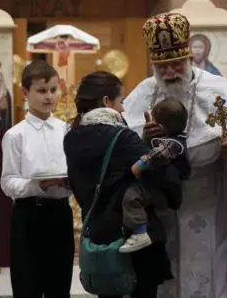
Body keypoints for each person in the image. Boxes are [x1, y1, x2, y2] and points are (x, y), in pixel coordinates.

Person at [123, 12, 227, 298]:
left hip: (212, 202)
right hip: (164, 206)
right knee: (167, 278)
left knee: (212, 273)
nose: (170, 72)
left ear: (189, 57)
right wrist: (145, 139)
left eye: (176, 63)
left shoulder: (216, 89)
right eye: (162, 65)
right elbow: (125, 149)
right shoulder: (144, 93)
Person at [64, 71, 179, 298]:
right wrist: (155, 145)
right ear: (107, 101)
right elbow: (166, 181)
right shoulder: (122, 138)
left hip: (99, 239)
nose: (124, 109)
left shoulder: (71, 138)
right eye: (121, 101)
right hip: (134, 244)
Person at [0, 60, 74, 298]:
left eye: (53, 90)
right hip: (28, 216)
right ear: (25, 92)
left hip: (61, 215)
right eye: (41, 91)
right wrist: (36, 185)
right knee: (27, 286)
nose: (49, 97)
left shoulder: (66, 130)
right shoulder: (15, 135)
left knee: (59, 285)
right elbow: (8, 182)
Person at [120, 98, 191, 253]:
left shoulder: (174, 143)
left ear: (160, 126)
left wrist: (139, 164)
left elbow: (158, 154)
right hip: (159, 188)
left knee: (131, 197)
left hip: (165, 191)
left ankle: (140, 233)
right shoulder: (171, 138)